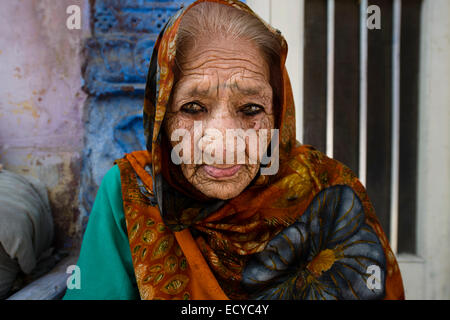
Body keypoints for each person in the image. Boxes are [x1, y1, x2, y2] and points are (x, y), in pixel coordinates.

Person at [64, 0, 404, 300]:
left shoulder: (329, 188)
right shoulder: (131, 194)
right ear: (162, 118)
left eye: (251, 109)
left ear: (278, 114)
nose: (223, 143)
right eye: (193, 108)